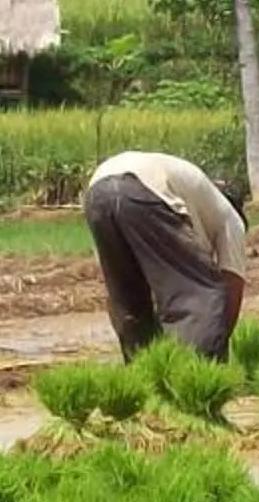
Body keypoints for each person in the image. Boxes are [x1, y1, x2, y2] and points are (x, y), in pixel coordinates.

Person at [83, 149, 248, 361]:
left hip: (97, 192)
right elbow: (232, 283)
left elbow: (114, 286)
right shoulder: (231, 218)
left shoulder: (195, 195)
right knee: (199, 293)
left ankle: (143, 372)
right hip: (143, 188)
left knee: (128, 299)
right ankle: (195, 370)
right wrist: (218, 337)